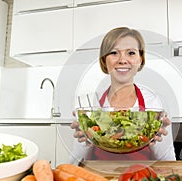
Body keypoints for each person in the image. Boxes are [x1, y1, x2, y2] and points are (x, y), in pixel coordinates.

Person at [69, 27, 176, 162]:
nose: (122, 60)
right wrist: (85, 143)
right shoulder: (88, 105)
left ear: (140, 60)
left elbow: (167, 160)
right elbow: (74, 163)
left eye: (131, 53)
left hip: (141, 179)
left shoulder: (155, 103)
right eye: (114, 53)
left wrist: (157, 139)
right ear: (104, 61)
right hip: (99, 180)